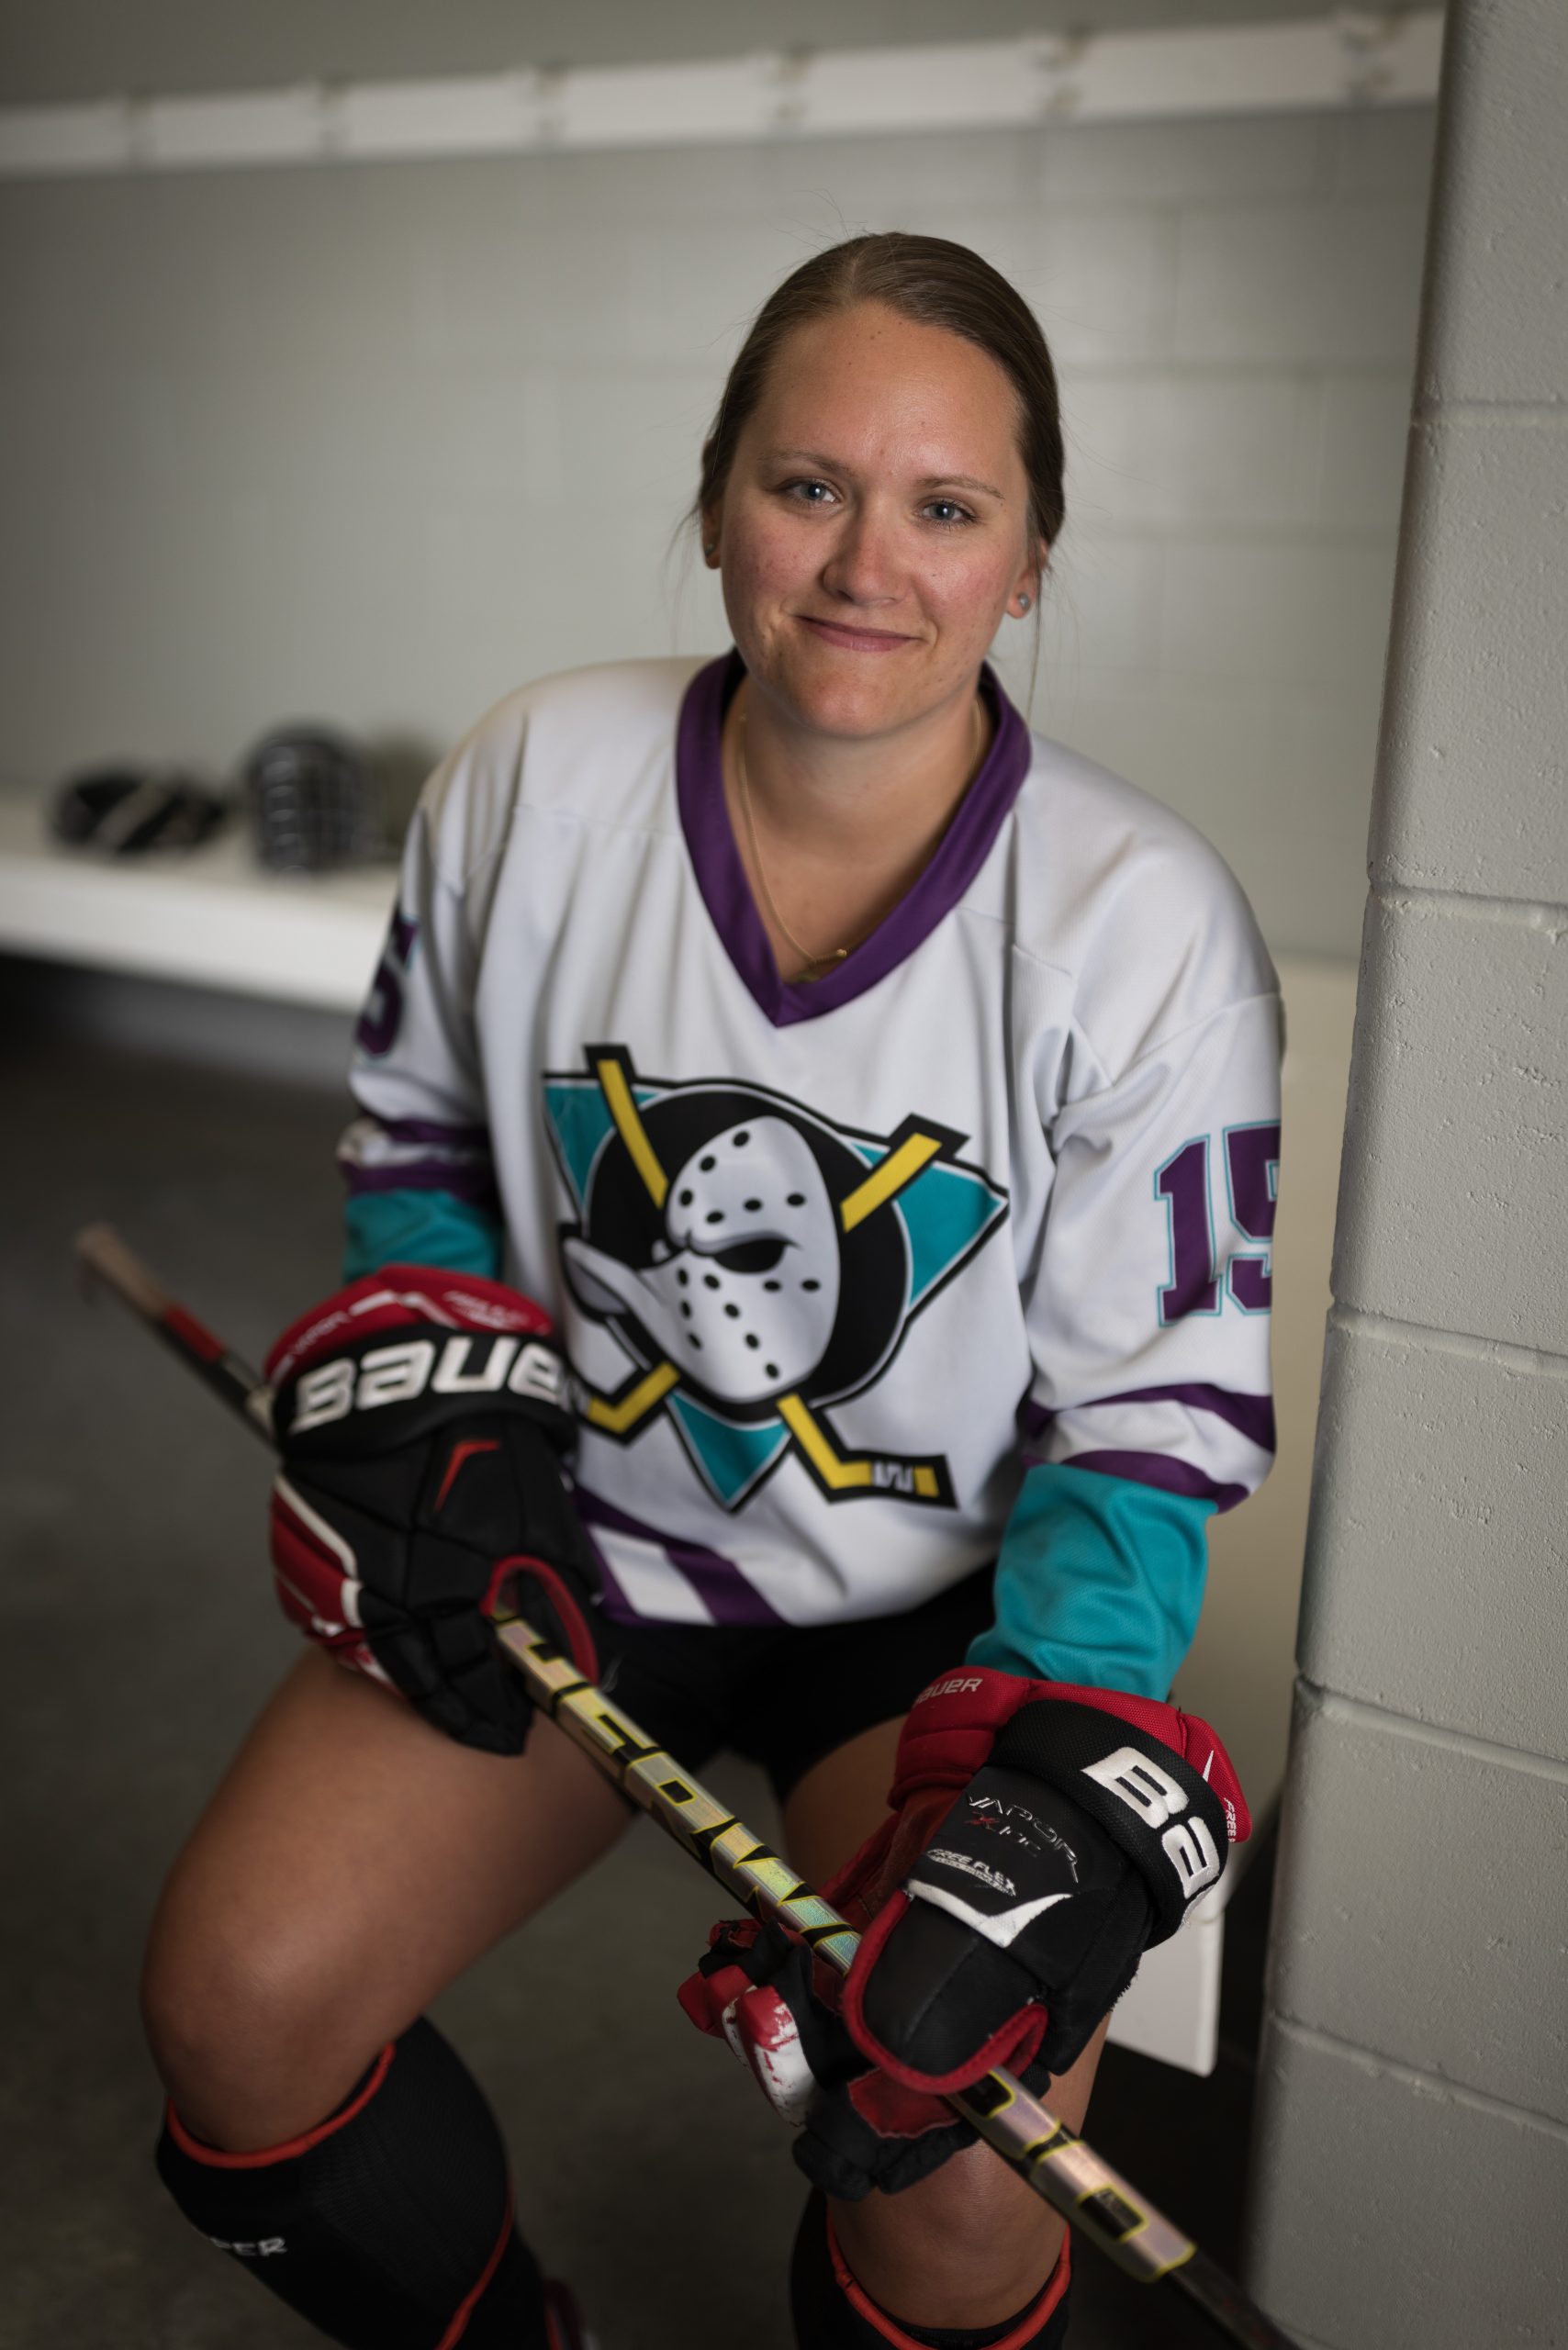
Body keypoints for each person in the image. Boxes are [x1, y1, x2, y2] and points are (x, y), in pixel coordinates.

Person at [140, 232, 1280, 2350]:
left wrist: (1022, 1792)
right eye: (804, 484)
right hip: (583, 1551)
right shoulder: (534, 777)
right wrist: (439, 1387)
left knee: (952, 2188)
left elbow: (1144, 1434)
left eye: (947, 506)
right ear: (711, 499)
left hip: (933, 1630)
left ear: (1029, 556)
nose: (867, 562)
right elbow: (421, 1155)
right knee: (237, 2002)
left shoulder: (1141, 921)